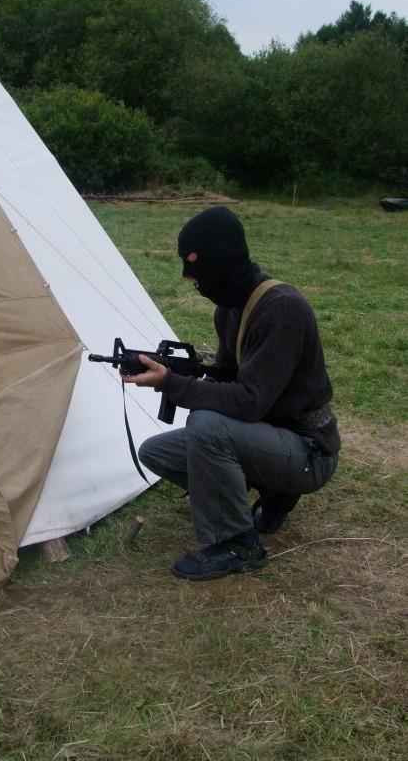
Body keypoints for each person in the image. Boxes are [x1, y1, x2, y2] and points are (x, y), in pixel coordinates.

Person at [121, 206, 340, 581]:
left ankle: (238, 543)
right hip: (270, 435)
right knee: (156, 452)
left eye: (194, 264)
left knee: (206, 426)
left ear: (221, 259)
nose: (189, 277)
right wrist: (183, 371)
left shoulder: (282, 309)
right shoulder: (230, 310)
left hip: (308, 449)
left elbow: (249, 401)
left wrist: (172, 383)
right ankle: (271, 491)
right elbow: (227, 378)